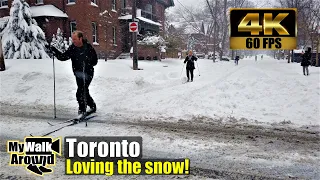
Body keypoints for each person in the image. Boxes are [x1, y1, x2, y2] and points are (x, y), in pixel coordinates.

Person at [48, 30, 98, 118]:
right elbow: (63, 57)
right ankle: (92, 105)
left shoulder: (88, 48)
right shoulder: (73, 48)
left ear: (80, 38)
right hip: (78, 73)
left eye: (75, 39)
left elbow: (95, 61)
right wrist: (54, 50)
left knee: (81, 91)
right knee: (83, 90)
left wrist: (87, 61)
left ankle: (82, 109)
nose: (73, 41)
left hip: (87, 73)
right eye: (73, 39)